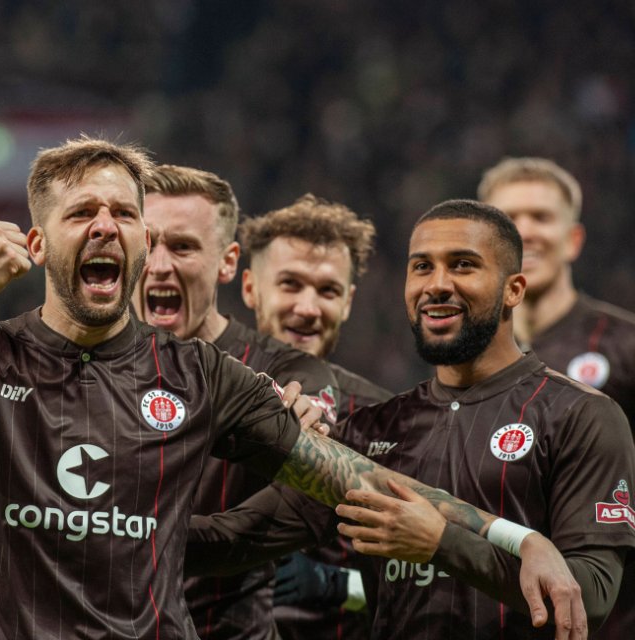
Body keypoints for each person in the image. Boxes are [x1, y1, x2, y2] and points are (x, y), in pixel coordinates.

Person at [0, 136, 586, 639]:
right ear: (39, 243)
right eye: (82, 213)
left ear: (141, 239)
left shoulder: (201, 377)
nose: (105, 225)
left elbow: (360, 479)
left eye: (123, 212)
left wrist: (518, 538)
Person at [188, 199, 635, 639]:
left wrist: (442, 543)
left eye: (462, 265)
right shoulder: (370, 429)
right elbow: (236, 538)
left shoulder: (581, 415)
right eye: (421, 267)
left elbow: (591, 596)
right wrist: (125, 523)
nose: (437, 284)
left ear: (513, 289)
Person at [133, 166, 340, 639]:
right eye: (147, 244)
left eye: (182, 246)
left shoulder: (289, 374)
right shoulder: (91, 365)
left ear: (227, 263)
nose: (160, 264)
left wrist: (130, 535)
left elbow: (307, 505)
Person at [479, 157, 635, 639]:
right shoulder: (464, 360)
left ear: (573, 239)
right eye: (510, 220)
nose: (525, 233)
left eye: (541, 217)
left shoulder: (625, 346)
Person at [238, 195, 393, 639]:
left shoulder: (381, 418)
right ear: (250, 288)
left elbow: (418, 583)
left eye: (327, 291)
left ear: (347, 303)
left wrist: (337, 586)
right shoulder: (202, 391)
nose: (308, 308)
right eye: (290, 284)